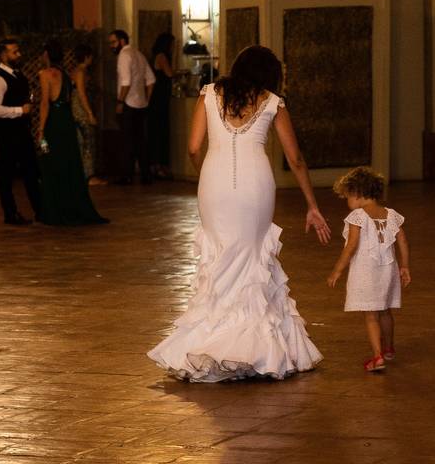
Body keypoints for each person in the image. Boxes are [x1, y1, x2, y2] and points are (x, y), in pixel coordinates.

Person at [147, 45, 331, 382]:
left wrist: (207, 174)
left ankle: (211, 340)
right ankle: (256, 348)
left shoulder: (208, 94)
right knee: (251, 257)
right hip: (255, 186)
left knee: (218, 257)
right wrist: (312, 205)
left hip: (213, 184)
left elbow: (192, 147)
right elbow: (296, 159)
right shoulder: (273, 102)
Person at [326, 167, 411, 373]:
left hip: (367, 271)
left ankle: (377, 356)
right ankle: (389, 349)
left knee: (370, 315)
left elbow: (351, 245)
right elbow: (402, 240)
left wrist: (337, 269)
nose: (347, 202)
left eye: (347, 197)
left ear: (357, 194)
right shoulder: (390, 215)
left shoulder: (357, 216)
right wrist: (405, 266)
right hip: (387, 270)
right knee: (385, 310)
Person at [36, 39, 108, 226]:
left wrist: (41, 129)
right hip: (66, 121)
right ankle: (72, 205)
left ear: (47, 55)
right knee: (69, 163)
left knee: (51, 163)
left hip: (54, 122)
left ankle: (56, 209)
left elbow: (45, 102)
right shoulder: (66, 75)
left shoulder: (45, 74)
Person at [0, 38, 42, 226]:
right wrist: (20, 110)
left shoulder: (19, 76)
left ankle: (41, 211)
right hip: (8, 134)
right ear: (3, 55)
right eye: (14, 52)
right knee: (7, 175)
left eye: (18, 51)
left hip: (22, 132)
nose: (19, 54)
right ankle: (10, 214)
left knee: (32, 172)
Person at [108, 29, 155, 185]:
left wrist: (120, 102)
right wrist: (146, 99)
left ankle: (126, 176)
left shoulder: (124, 55)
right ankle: (145, 174)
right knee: (141, 140)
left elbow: (126, 82)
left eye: (113, 42)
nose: (111, 46)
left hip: (128, 104)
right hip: (141, 105)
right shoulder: (138, 54)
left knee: (126, 141)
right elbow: (151, 80)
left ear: (122, 41)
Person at [71, 43, 103, 185]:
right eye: (91, 56)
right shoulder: (81, 72)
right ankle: (89, 176)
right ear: (87, 57)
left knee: (82, 142)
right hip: (81, 111)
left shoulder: (76, 71)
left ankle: (83, 175)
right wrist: (89, 112)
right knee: (88, 142)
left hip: (77, 111)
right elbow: (81, 93)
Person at [147, 32, 175, 180]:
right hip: (160, 99)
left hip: (157, 99)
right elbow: (169, 74)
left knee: (156, 131)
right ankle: (159, 166)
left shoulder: (156, 56)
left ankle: (156, 165)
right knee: (160, 131)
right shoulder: (162, 57)